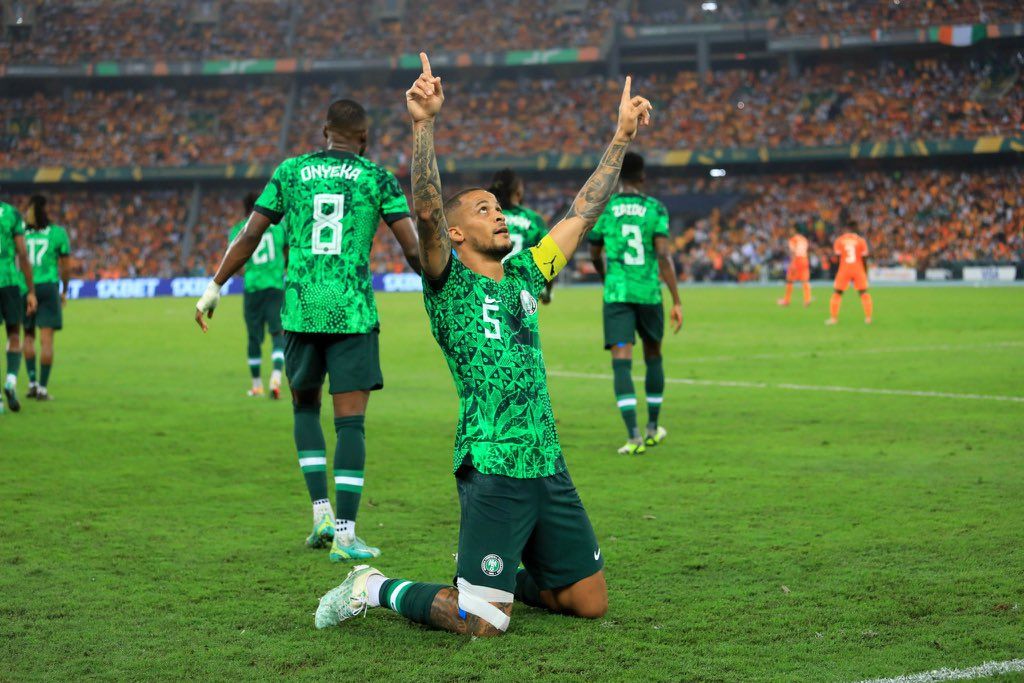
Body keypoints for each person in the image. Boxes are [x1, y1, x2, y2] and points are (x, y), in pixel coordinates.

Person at [315, 53, 652, 637]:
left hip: (545, 458)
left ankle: (486, 576)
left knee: (590, 601)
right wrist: (424, 125)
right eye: (483, 210)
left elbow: (582, 212)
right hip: (492, 460)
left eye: (498, 208)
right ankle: (372, 586)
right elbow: (424, 208)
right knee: (484, 624)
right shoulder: (447, 283)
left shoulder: (525, 274)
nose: (499, 216)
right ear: (453, 233)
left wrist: (619, 138)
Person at [195, 98, 422, 562]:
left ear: (325, 132)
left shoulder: (290, 171)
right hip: (350, 312)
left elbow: (250, 236)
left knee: (304, 409)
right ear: (363, 137)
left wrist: (214, 287)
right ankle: (345, 533)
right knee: (350, 423)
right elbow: (413, 250)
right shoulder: (378, 177)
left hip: (299, 310)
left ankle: (320, 513)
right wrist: (444, 282)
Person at [588, 152, 682, 455]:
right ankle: (654, 428)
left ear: (618, 178)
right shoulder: (655, 208)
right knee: (653, 355)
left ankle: (633, 437)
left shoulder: (607, 209)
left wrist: (607, 278)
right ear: (642, 177)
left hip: (617, 293)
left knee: (621, 361)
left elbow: (593, 254)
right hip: (649, 294)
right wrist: (677, 300)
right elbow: (664, 257)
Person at [229, 192, 287, 399]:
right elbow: (286, 251)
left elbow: (235, 260)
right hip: (275, 286)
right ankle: (276, 379)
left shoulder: (238, 229)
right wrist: (280, 269)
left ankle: (257, 386)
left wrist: (249, 273)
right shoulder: (278, 227)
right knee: (278, 333)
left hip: (253, 288)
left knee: (254, 337)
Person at [22, 195, 70, 401]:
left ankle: (31, 383)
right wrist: (64, 289)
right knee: (47, 339)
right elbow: (66, 266)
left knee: (28, 337)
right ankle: (42, 388)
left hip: (25, 287)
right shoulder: (58, 233)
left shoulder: (21, 233)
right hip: (48, 286)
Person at [488, 168, 554, 303]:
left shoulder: (486, 218)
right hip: (522, 291)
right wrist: (548, 290)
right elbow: (548, 257)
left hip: (488, 288)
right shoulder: (534, 220)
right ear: (518, 191)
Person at [0, 198, 36, 415]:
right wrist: (31, 290)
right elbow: (22, 253)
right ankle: (11, 381)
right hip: (10, 282)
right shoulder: (11, 213)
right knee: (14, 334)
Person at [827, 228, 872, 325]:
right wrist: (865, 272)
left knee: (837, 293)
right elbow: (864, 258)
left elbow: (838, 257)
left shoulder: (840, 240)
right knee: (863, 293)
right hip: (858, 268)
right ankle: (868, 318)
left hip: (844, 269)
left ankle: (833, 319)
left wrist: (838, 270)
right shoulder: (860, 240)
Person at [777, 227, 812, 308]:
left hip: (797, 260)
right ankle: (807, 299)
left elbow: (793, 252)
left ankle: (786, 300)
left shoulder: (792, 240)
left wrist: (792, 263)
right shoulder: (803, 239)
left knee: (789, 280)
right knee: (805, 280)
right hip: (805, 259)